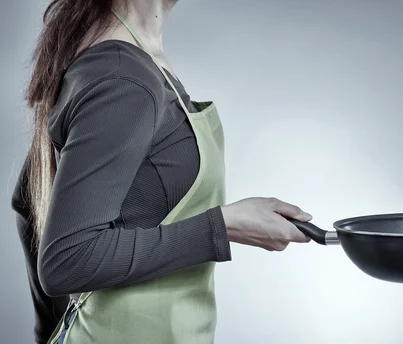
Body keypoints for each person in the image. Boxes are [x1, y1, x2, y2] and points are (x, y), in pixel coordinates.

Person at [10, 0, 313, 343]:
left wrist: (52, 331)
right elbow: (67, 259)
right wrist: (224, 225)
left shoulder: (123, 54)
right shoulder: (124, 77)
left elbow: (27, 198)